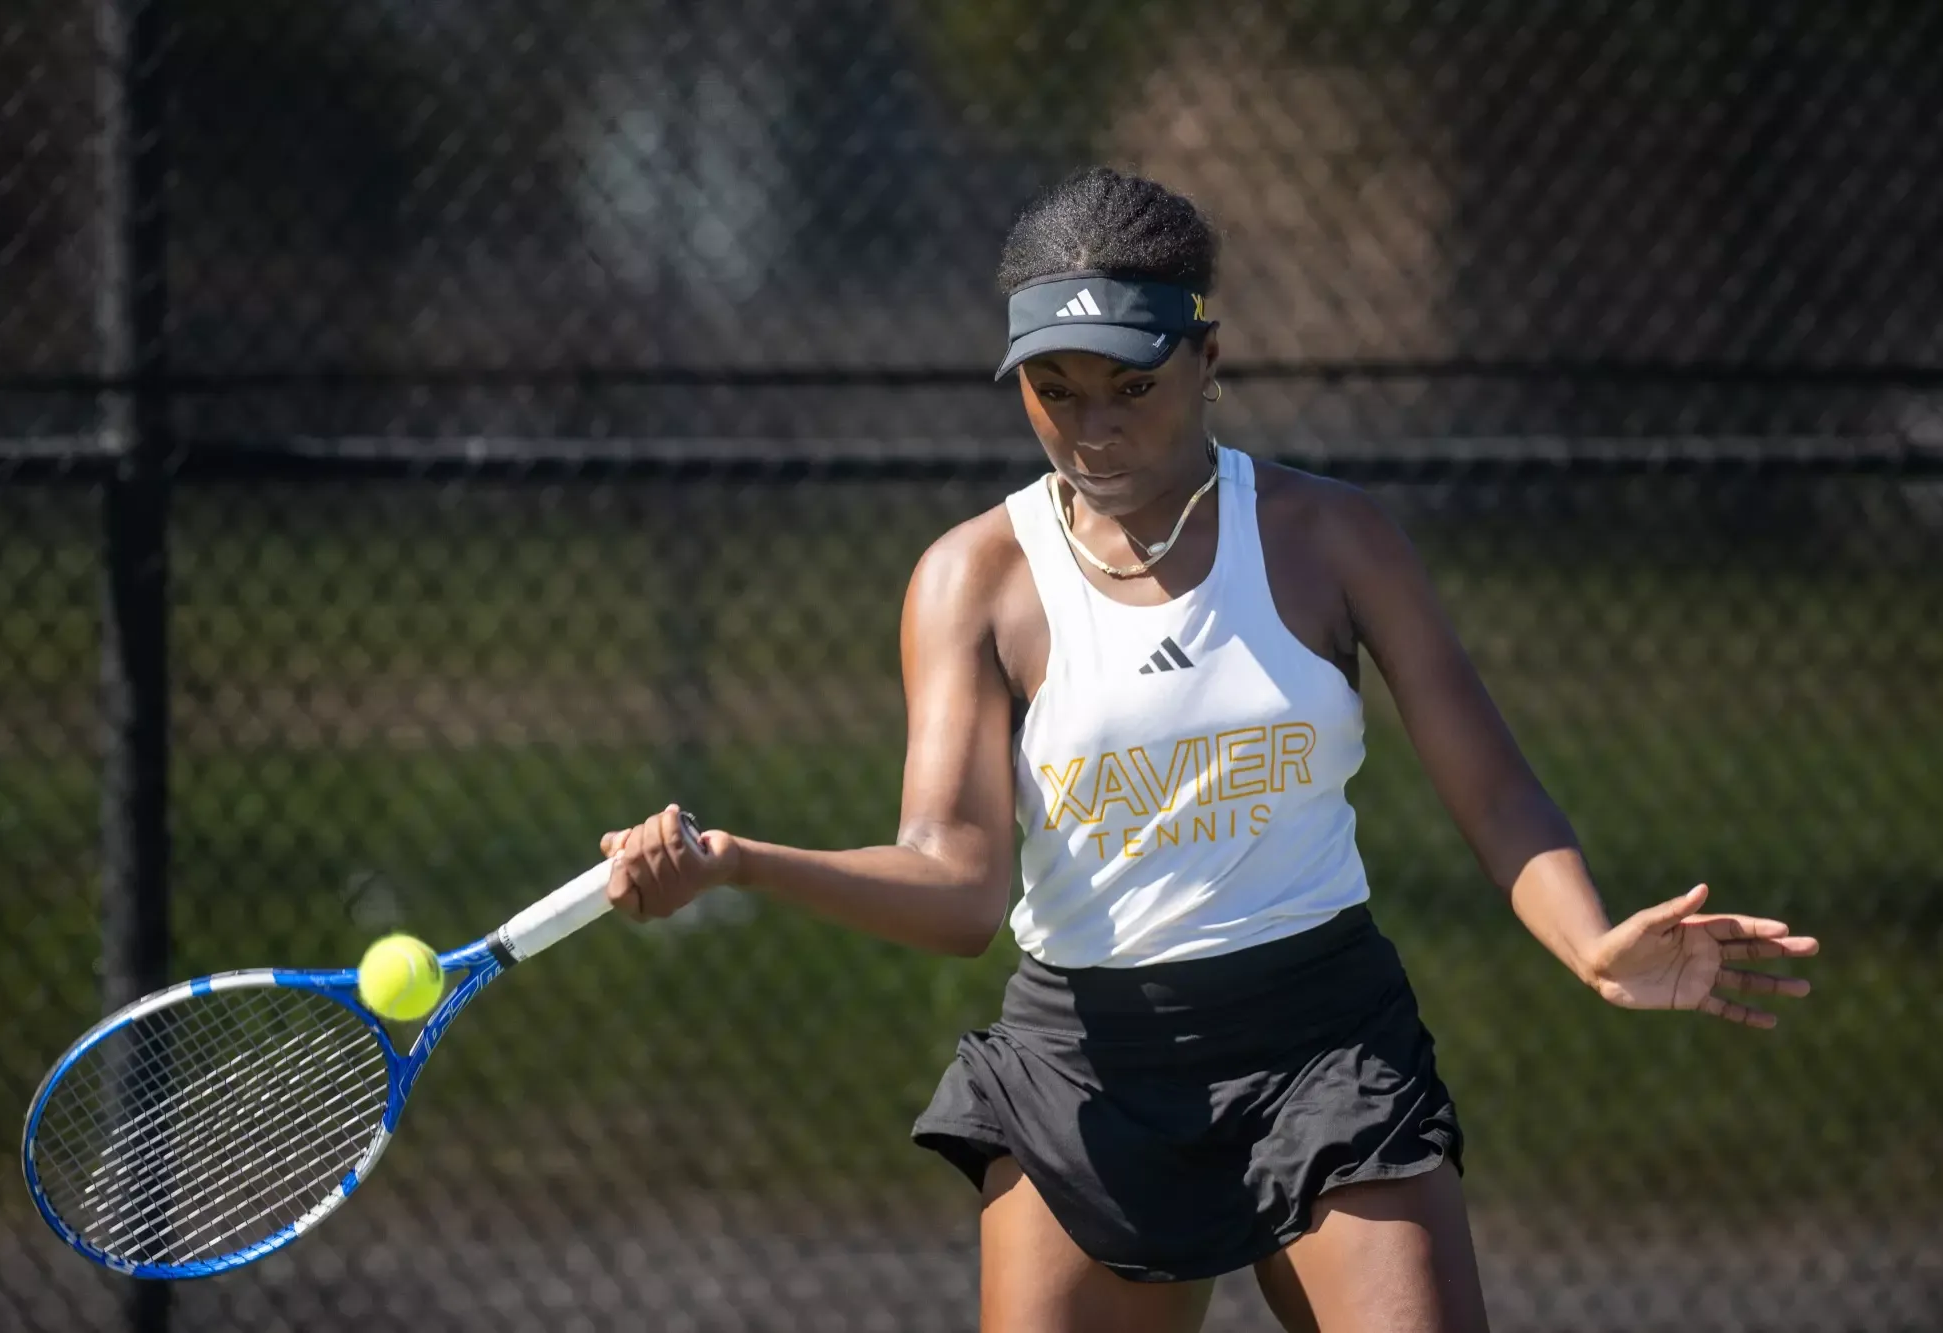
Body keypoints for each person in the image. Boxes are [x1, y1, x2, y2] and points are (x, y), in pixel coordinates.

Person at [596, 167, 1820, 1333]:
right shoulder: (972, 577)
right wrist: (737, 861)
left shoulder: (1329, 537)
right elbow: (957, 885)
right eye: (1054, 389)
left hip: (1325, 1045)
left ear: (1208, 358)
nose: (1091, 428)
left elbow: (1492, 789)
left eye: (1130, 387)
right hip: (1085, 1071)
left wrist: (1588, 944)